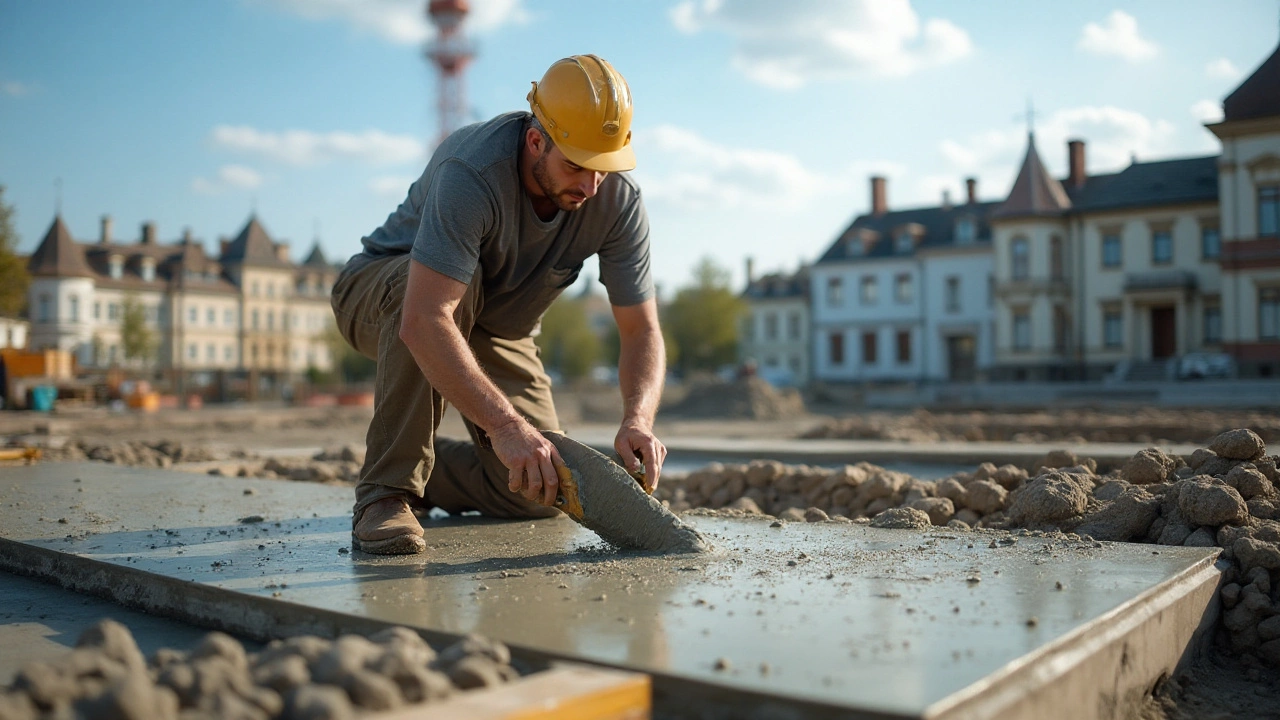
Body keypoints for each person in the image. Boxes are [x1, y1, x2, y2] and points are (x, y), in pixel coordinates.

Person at [331, 55, 667, 555]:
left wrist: (637, 418)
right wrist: (507, 427)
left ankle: (427, 467)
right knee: (437, 300)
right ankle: (385, 493)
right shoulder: (472, 170)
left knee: (539, 487)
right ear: (536, 141)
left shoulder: (616, 200)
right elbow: (425, 319)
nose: (590, 186)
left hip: (499, 328)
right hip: (390, 294)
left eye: (603, 167)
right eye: (575, 165)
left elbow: (641, 330)